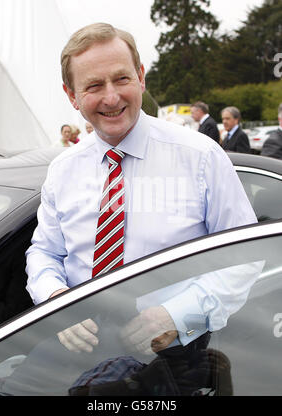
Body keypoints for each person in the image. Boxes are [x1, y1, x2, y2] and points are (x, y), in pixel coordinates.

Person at [26, 23, 258, 356]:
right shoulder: (63, 170)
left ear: (141, 77)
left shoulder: (201, 157)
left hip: (175, 356)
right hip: (77, 354)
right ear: (71, 95)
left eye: (121, 79)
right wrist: (54, 298)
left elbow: (244, 256)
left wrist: (180, 316)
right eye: (93, 85)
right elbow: (45, 253)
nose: (111, 97)